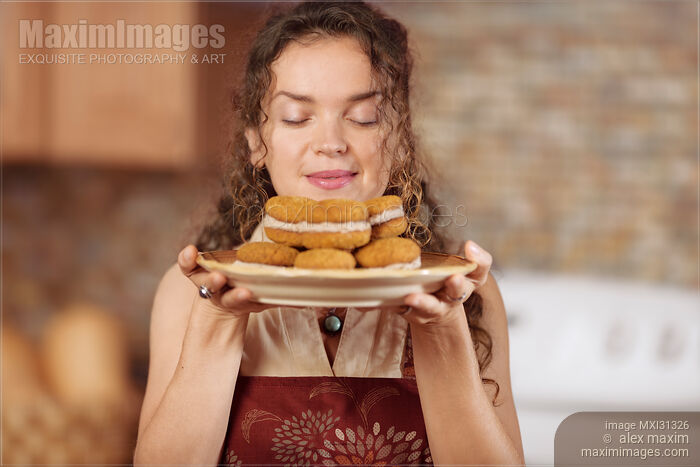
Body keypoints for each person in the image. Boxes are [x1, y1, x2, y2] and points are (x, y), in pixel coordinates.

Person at [133, 2, 525, 466]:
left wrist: (442, 332)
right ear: (258, 142)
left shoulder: (463, 293)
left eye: (364, 117)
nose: (331, 142)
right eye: (298, 117)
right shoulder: (191, 293)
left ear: (400, 140)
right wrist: (217, 324)